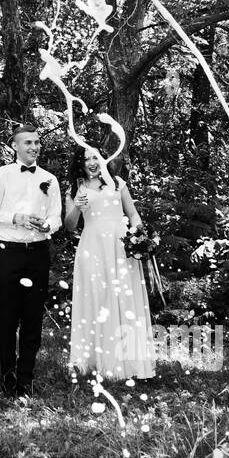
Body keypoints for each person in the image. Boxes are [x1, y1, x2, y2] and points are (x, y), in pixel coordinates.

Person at [0, 125, 61, 398]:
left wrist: (47, 225)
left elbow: (57, 216)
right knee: (8, 316)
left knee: (32, 318)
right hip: (9, 252)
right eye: (28, 142)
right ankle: (7, 376)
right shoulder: (0, 175)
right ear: (15, 146)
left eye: (37, 142)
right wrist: (15, 217)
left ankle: (26, 379)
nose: (34, 147)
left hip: (38, 253)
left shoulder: (50, 179)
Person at [63, 147, 155, 381]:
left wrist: (137, 234)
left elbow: (132, 213)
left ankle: (128, 362)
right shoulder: (75, 188)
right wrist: (77, 206)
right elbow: (70, 226)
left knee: (124, 297)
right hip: (92, 247)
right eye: (86, 159)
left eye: (95, 157)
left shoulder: (117, 182)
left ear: (103, 159)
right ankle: (93, 361)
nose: (91, 163)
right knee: (96, 297)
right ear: (80, 164)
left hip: (120, 246)